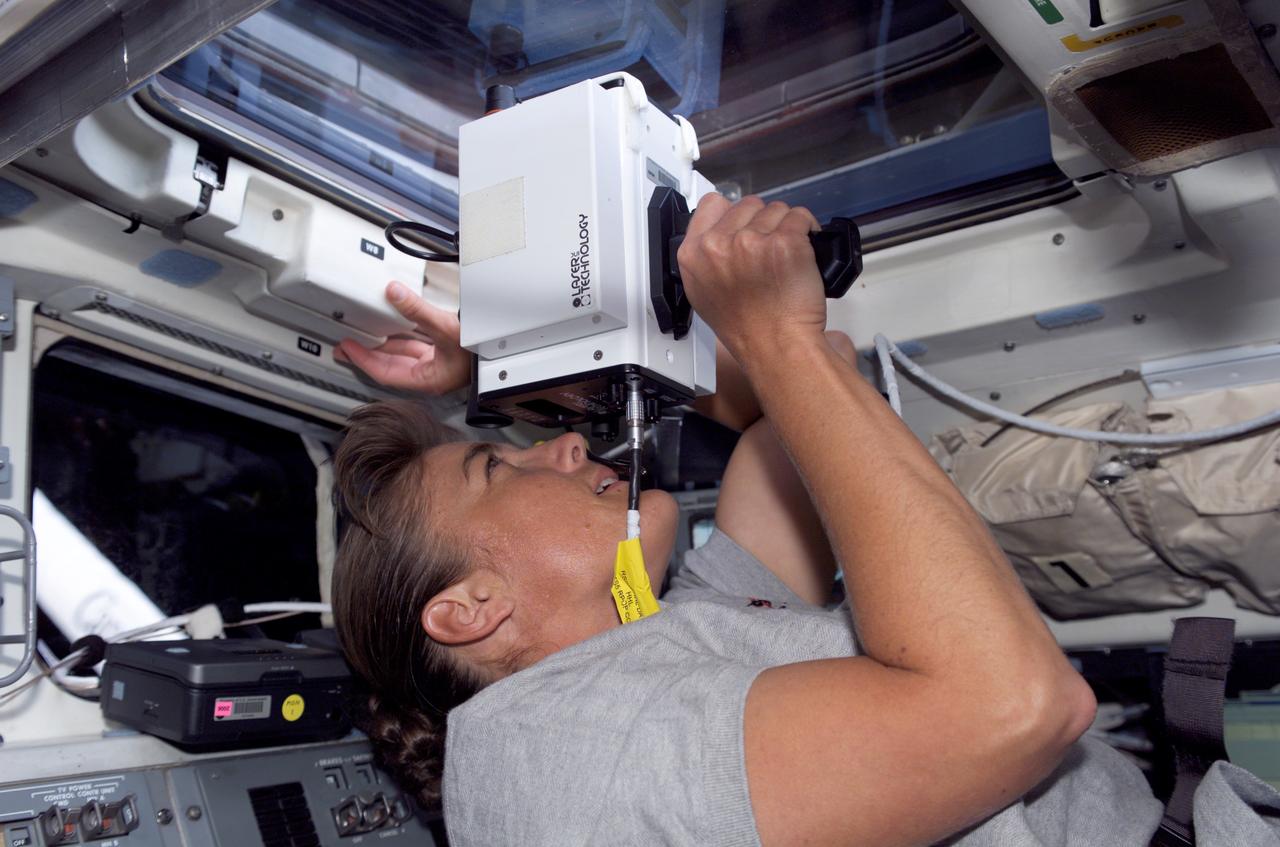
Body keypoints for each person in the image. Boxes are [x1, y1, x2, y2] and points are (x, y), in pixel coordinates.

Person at [330, 195, 1165, 846]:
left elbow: (800, 399)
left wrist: (538, 371)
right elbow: (1020, 707)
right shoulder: (557, 761)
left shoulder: (667, 635)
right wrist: (775, 334)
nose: (560, 448)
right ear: (470, 608)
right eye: (496, 465)